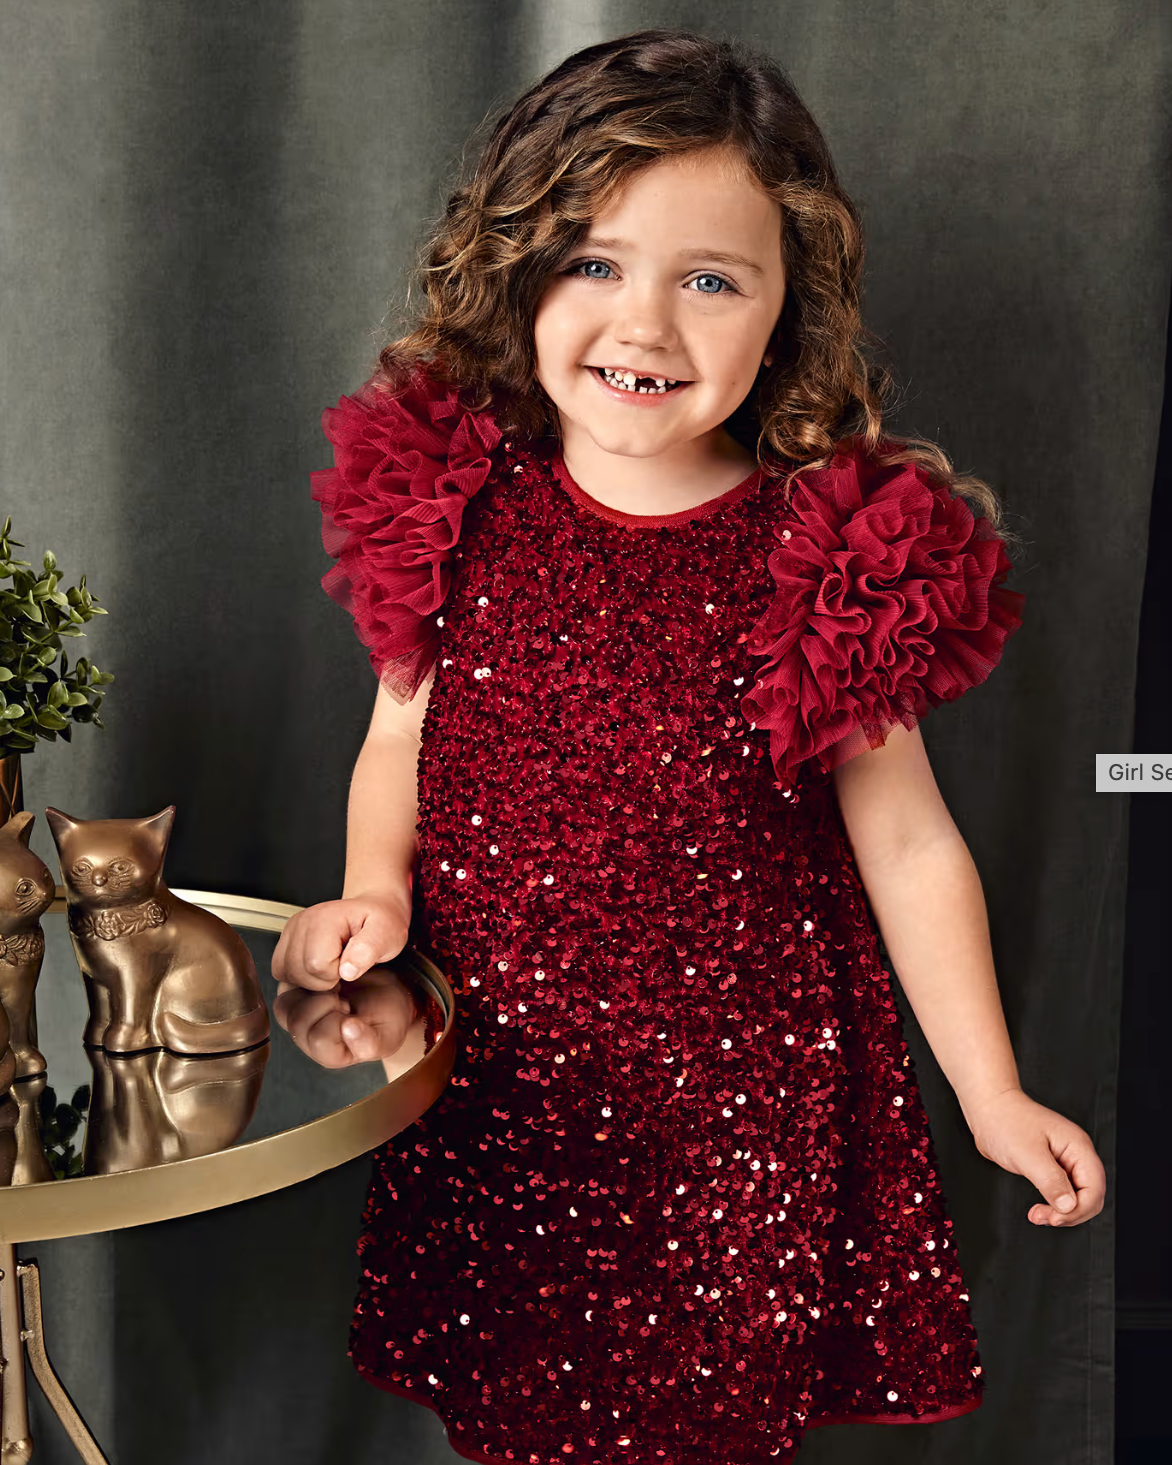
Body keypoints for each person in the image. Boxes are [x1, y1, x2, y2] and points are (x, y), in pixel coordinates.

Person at [271, 27, 1106, 1465]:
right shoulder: (454, 502)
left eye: (710, 281)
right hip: (511, 1094)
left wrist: (989, 1089)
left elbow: (906, 844)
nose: (644, 325)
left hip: (739, 1120)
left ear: (788, 316)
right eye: (594, 262)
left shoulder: (824, 548)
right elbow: (398, 740)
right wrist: (376, 891)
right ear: (519, 271)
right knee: (522, 1422)